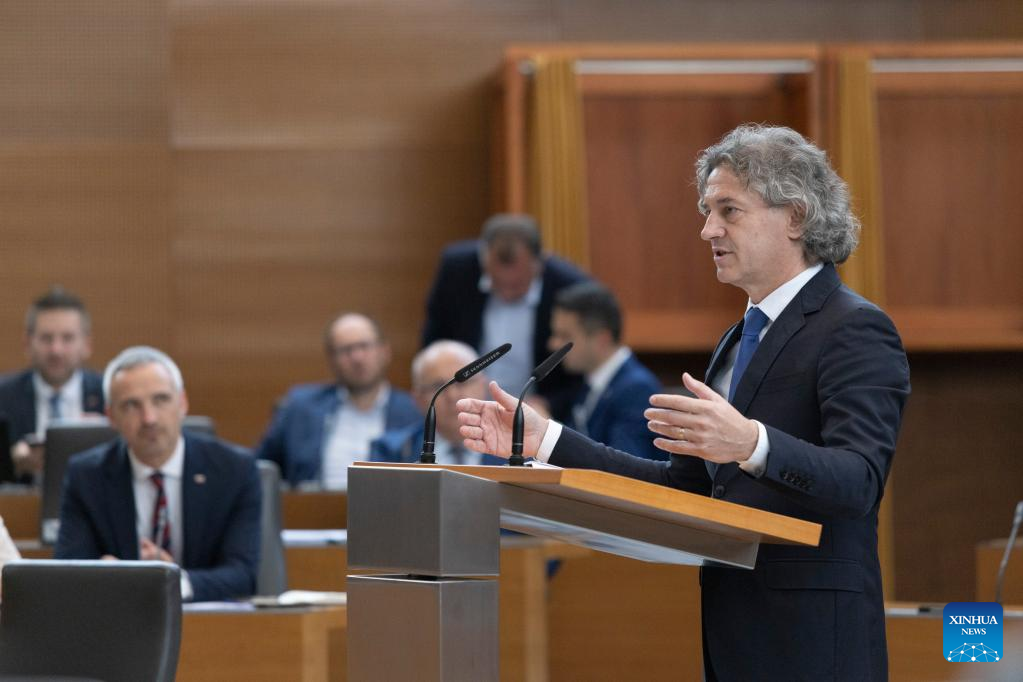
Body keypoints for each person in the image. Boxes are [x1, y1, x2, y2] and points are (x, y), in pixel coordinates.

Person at [457, 125, 910, 681]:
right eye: (706, 211)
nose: (707, 229)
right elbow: (685, 489)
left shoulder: (855, 327)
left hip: (815, 643)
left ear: (795, 217)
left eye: (728, 210)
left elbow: (859, 480)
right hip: (733, 638)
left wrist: (752, 444)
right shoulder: (738, 338)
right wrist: (546, 440)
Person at [55, 346, 261, 602]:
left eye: (160, 400)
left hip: (208, 617)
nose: (149, 418)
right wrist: (105, 574)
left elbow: (243, 574)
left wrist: (170, 582)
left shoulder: (234, 470)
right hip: (121, 617)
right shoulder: (87, 476)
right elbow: (68, 569)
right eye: (131, 405)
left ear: (182, 403)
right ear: (111, 417)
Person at [420, 214, 590, 418]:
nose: (507, 293)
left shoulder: (570, 287)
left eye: (517, 285)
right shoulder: (456, 270)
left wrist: (549, 404)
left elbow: (582, 370)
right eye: (497, 284)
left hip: (538, 410)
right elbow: (434, 341)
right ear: (483, 260)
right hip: (467, 407)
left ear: (540, 263)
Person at [256, 312, 420, 489]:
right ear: (331, 360)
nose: (357, 357)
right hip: (313, 505)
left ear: (385, 351)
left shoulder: (415, 410)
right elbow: (260, 469)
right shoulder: (300, 407)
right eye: (346, 350)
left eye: (364, 346)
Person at [550, 281, 664, 461]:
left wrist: (550, 435)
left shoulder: (637, 389)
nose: (553, 344)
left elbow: (624, 467)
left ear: (602, 339)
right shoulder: (589, 382)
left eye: (565, 336)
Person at [0, 288, 104, 481]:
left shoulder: (108, 394)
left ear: (86, 344)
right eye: (46, 338)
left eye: (67, 338)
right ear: (27, 344)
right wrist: (9, 461)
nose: (56, 350)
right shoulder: (3, 397)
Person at [370, 340, 503, 466]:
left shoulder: (510, 447)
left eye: (462, 382)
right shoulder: (390, 452)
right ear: (418, 399)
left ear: (483, 386)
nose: (452, 396)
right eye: (438, 386)